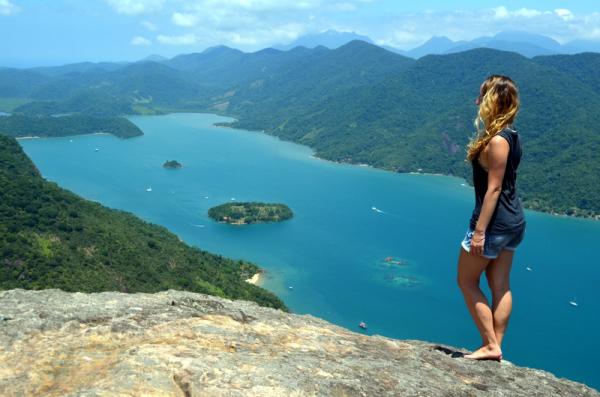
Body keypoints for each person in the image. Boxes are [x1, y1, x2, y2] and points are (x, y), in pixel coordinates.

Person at [457, 75, 526, 361]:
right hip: (513, 222)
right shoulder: (512, 135)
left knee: (466, 281)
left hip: (493, 225)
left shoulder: (497, 141)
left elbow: (494, 188)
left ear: (491, 102)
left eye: (481, 96)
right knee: (500, 284)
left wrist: (480, 232)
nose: (476, 102)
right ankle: (495, 347)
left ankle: (490, 345)